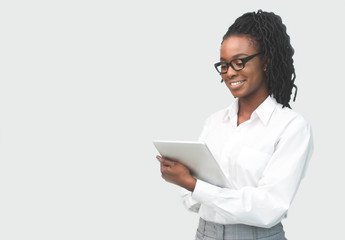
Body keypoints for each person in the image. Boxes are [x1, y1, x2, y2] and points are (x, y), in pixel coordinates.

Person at [156, 10, 313, 240]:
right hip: (205, 233)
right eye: (223, 65)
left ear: (266, 62)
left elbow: (269, 207)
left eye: (239, 62)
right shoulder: (214, 122)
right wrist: (186, 182)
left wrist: (194, 184)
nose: (229, 73)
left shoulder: (291, 127)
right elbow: (191, 200)